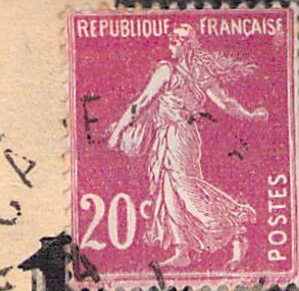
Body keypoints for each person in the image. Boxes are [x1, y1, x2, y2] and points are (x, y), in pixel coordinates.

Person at [106, 23, 267, 268]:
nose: (171, 42)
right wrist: (120, 128)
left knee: (185, 189)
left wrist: (250, 115)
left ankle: (235, 231)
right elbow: (143, 102)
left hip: (179, 136)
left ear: (189, 45)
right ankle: (182, 250)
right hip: (167, 136)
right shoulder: (170, 70)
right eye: (170, 38)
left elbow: (224, 102)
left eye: (177, 39)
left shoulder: (181, 72)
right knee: (168, 190)